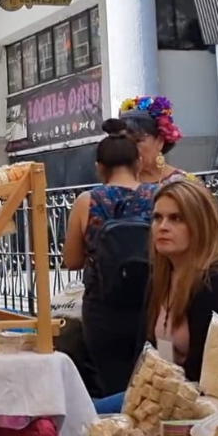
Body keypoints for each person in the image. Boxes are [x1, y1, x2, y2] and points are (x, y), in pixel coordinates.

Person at [62, 119, 157, 398]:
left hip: (103, 309)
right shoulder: (158, 196)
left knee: (112, 384)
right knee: (153, 385)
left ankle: (116, 432)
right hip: (153, 304)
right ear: (138, 162)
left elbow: (72, 261)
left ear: (99, 167)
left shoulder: (86, 201)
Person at [146, 179, 218, 381]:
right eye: (157, 217)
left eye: (176, 218)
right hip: (162, 390)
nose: (162, 227)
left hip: (208, 401)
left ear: (200, 225)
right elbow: (146, 352)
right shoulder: (160, 277)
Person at [120, 95, 188, 184]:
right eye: (125, 141)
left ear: (159, 141)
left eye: (137, 141)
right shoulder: (117, 185)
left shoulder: (183, 184)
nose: (130, 148)